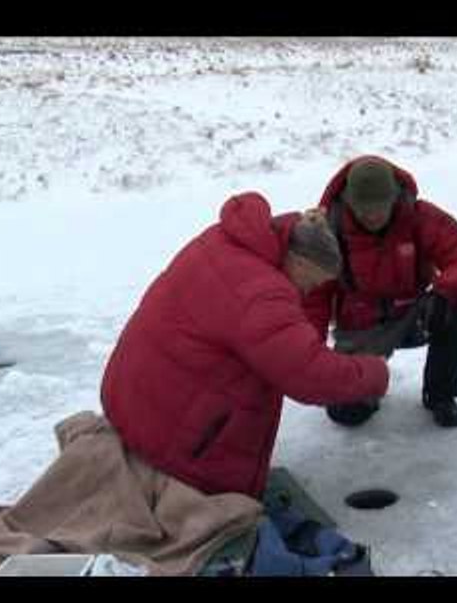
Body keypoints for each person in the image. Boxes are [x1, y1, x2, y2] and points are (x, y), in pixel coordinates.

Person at [101, 192, 389, 498]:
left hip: (136, 400)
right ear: (299, 260)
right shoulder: (261, 293)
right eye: (314, 281)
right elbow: (309, 375)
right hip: (169, 440)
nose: (309, 291)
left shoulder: (227, 242)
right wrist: (374, 373)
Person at [303, 155, 457, 428]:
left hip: (417, 314)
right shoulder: (328, 228)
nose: (373, 216)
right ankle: (366, 391)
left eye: (380, 208)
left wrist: (444, 293)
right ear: (349, 204)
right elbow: (314, 296)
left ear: (394, 198)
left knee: (456, 312)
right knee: (346, 414)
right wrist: (309, 349)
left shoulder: (420, 216)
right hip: (360, 324)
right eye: (363, 210)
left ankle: (440, 394)